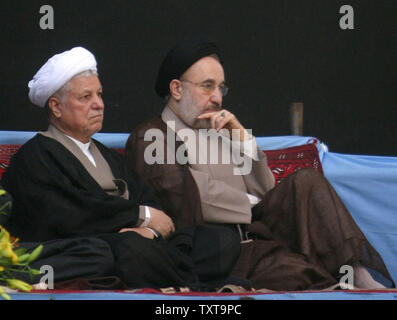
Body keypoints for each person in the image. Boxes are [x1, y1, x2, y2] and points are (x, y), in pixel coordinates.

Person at [125, 38, 395, 290]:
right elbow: (190, 197)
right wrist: (252, 205)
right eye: (207, 86)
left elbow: (267, 189)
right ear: (176, 89)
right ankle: (340, 281)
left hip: (259, 236)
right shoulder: (152, 135)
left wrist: (242, 138)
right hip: (221, 250)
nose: (218, 97)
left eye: (221, 87)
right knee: (303, 274)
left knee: (306, 182)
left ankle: (358, 272)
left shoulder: (218, 129)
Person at [2, 46, 242, 290]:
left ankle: (178, 279)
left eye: (100, 95)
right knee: (110, 252)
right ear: (56, 106)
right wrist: (139, 218)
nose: (99, 105)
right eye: (86, 97)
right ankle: (194, 283)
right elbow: (71, 214)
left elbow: (153, 207)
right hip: (88, 247)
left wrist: (151, 232)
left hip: (139, 247)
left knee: (219, 240)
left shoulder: (109, 157)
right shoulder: (35, 156)